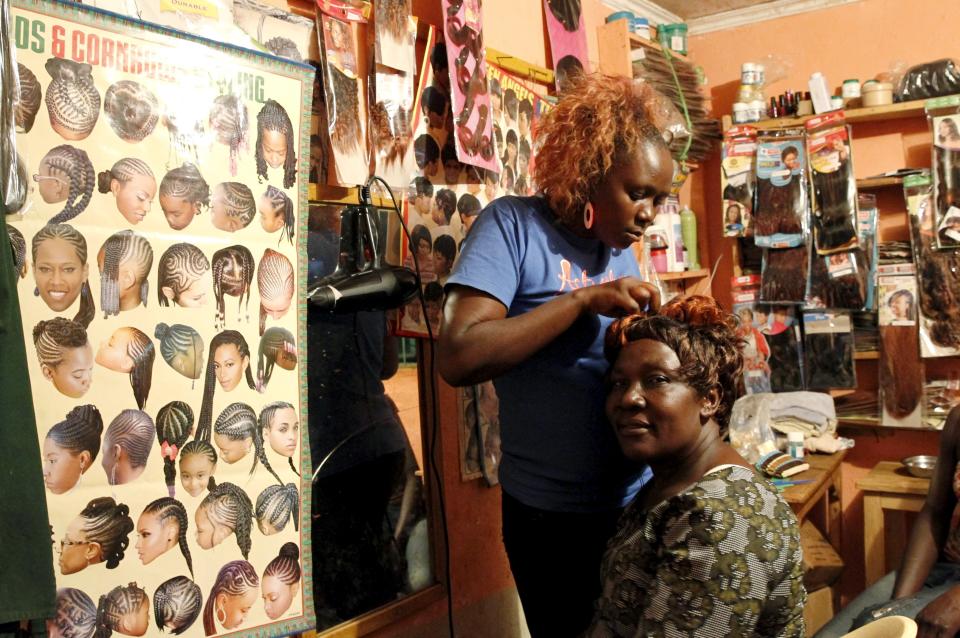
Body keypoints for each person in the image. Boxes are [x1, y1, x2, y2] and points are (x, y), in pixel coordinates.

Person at [438, 73, 673, 637]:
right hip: (552, 519)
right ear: (589, 172)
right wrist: (582, 301)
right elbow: (460, 355)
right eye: (637, 193)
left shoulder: (617, 250)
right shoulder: (512, 228)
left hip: (634, 501)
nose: (648, 214)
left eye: (658, 200)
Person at [585, 295, 805, 636]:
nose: (628, 398)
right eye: (618, 383)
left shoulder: (722, 518)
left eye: (656, 380)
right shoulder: (669, 486)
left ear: (710, 399)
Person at [817, 405, 960, 637]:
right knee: (846, 630)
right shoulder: (958, 420)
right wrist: (899, 604)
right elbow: (936, 511)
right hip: (950, 566)